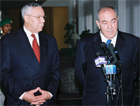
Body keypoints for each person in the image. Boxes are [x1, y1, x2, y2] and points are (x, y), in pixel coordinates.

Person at [75, 6, 139, 105]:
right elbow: (81, 74)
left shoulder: (133, 42)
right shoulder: (85, 44)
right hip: (95, 100)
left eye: (113, 21)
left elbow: (135, 73)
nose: (110, 27)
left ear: (117, 20)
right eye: (105, 22)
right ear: (98, 24)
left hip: (124, 101)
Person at [1, 2, 61, 106]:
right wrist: (23, 94)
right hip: (19, 101)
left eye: (44, 17)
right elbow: (4, 73)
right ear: (26, 18)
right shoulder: (8, 40)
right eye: (38, 17)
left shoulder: (50, 40)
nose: (43, 20)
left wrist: (49, 93)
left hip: (45, 101)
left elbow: (56, 71)